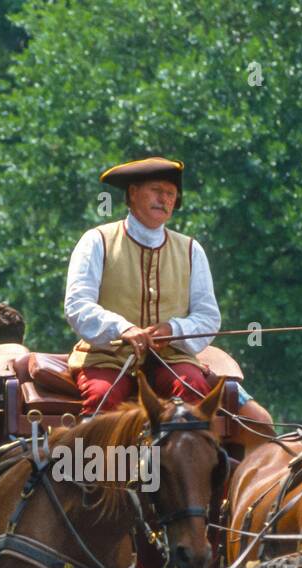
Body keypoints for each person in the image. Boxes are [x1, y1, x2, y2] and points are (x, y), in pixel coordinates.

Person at [64, 156, 219, 413]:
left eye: (171, 194)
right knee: (103, 397)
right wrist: (122, 328)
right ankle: (91, 454)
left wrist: (174, 329)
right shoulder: (96, 241)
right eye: (157, 191)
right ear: (133, 194)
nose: (165, 199)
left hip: (171, 358)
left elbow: (208, 316)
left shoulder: (192, 250)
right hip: (108, 357)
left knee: (192, 389)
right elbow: (77, 305)